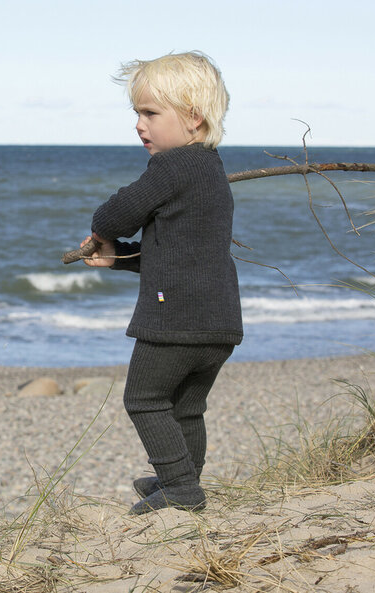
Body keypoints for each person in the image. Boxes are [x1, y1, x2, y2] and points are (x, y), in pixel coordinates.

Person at [81, 51, 243, 514]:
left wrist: (103, 230)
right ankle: (182, 474)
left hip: (175, 320)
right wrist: (118, 260)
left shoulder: (172, 167)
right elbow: (179, 256)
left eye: (150, 113)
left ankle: (182, 488)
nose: (139, 124)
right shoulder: (210, 170)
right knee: (185, 407)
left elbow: (117, 214)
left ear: (193, 118)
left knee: (145, 399)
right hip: (219, 321)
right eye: (136, 113)